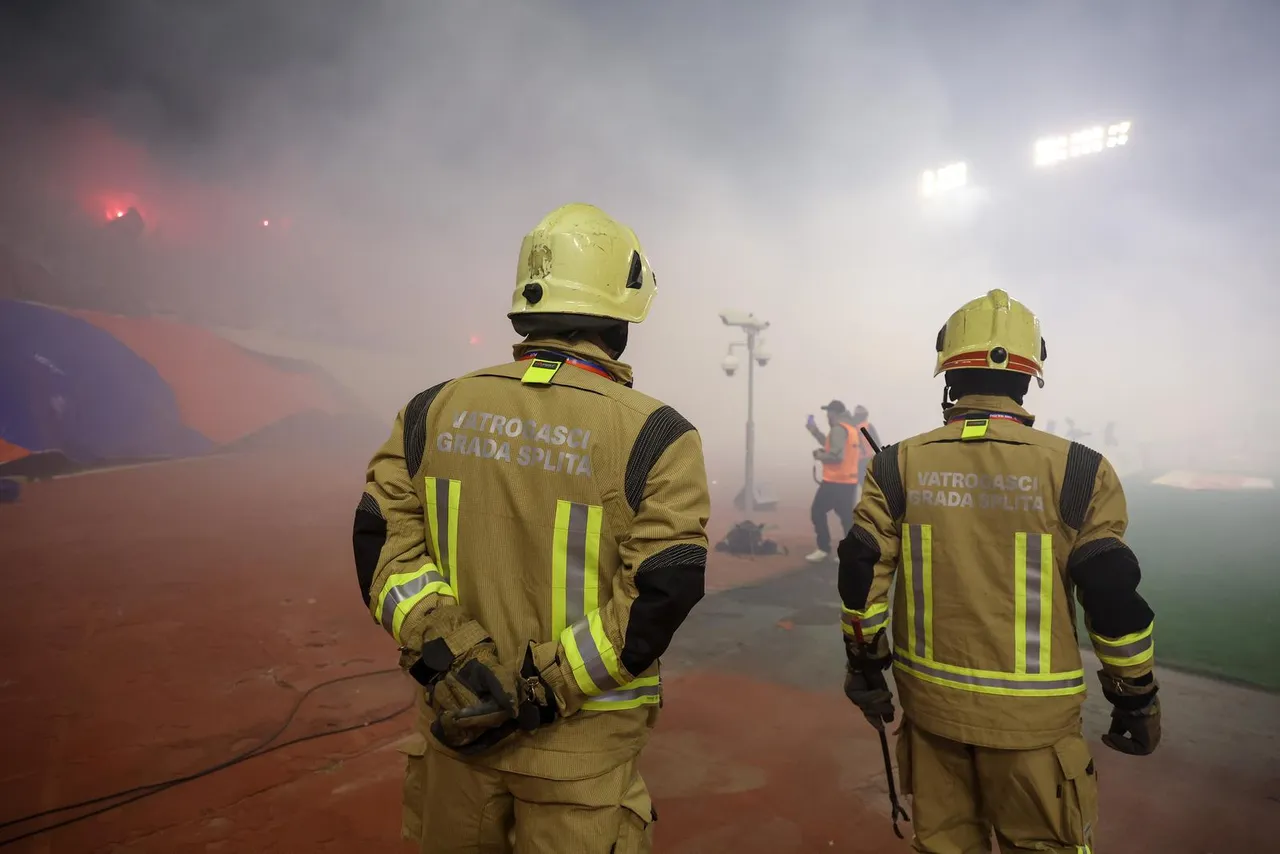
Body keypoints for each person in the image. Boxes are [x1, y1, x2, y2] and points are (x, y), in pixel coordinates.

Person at [353, 203, 711, 853]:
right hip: (577, 755)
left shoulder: (432, 410)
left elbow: (382, 547)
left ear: (525, 309)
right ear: (622, 318)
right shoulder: (655, 435)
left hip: (457, 726)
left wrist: (455, 658)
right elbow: (661, 594)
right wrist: (540, 691)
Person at [836, 289, 1160, 853]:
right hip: (1036, 733)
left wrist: (866, 669)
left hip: (930, 718)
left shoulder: (897, 464)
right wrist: (1135, 695)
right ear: (1031, 376)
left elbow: (862, 579)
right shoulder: (1079, 470)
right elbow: (1111, 596)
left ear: (948, 377)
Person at [805, 400, 876, 563]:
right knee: (846, 517)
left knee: (817, 511)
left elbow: (836, 455)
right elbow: (833, 446)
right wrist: (814, 431)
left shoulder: (838, 429)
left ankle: (823, 548)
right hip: (848, 480)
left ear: (834, 413)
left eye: (828, 412)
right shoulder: (850, 429)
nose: (827, 416)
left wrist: (819, 455)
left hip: (834, 481)